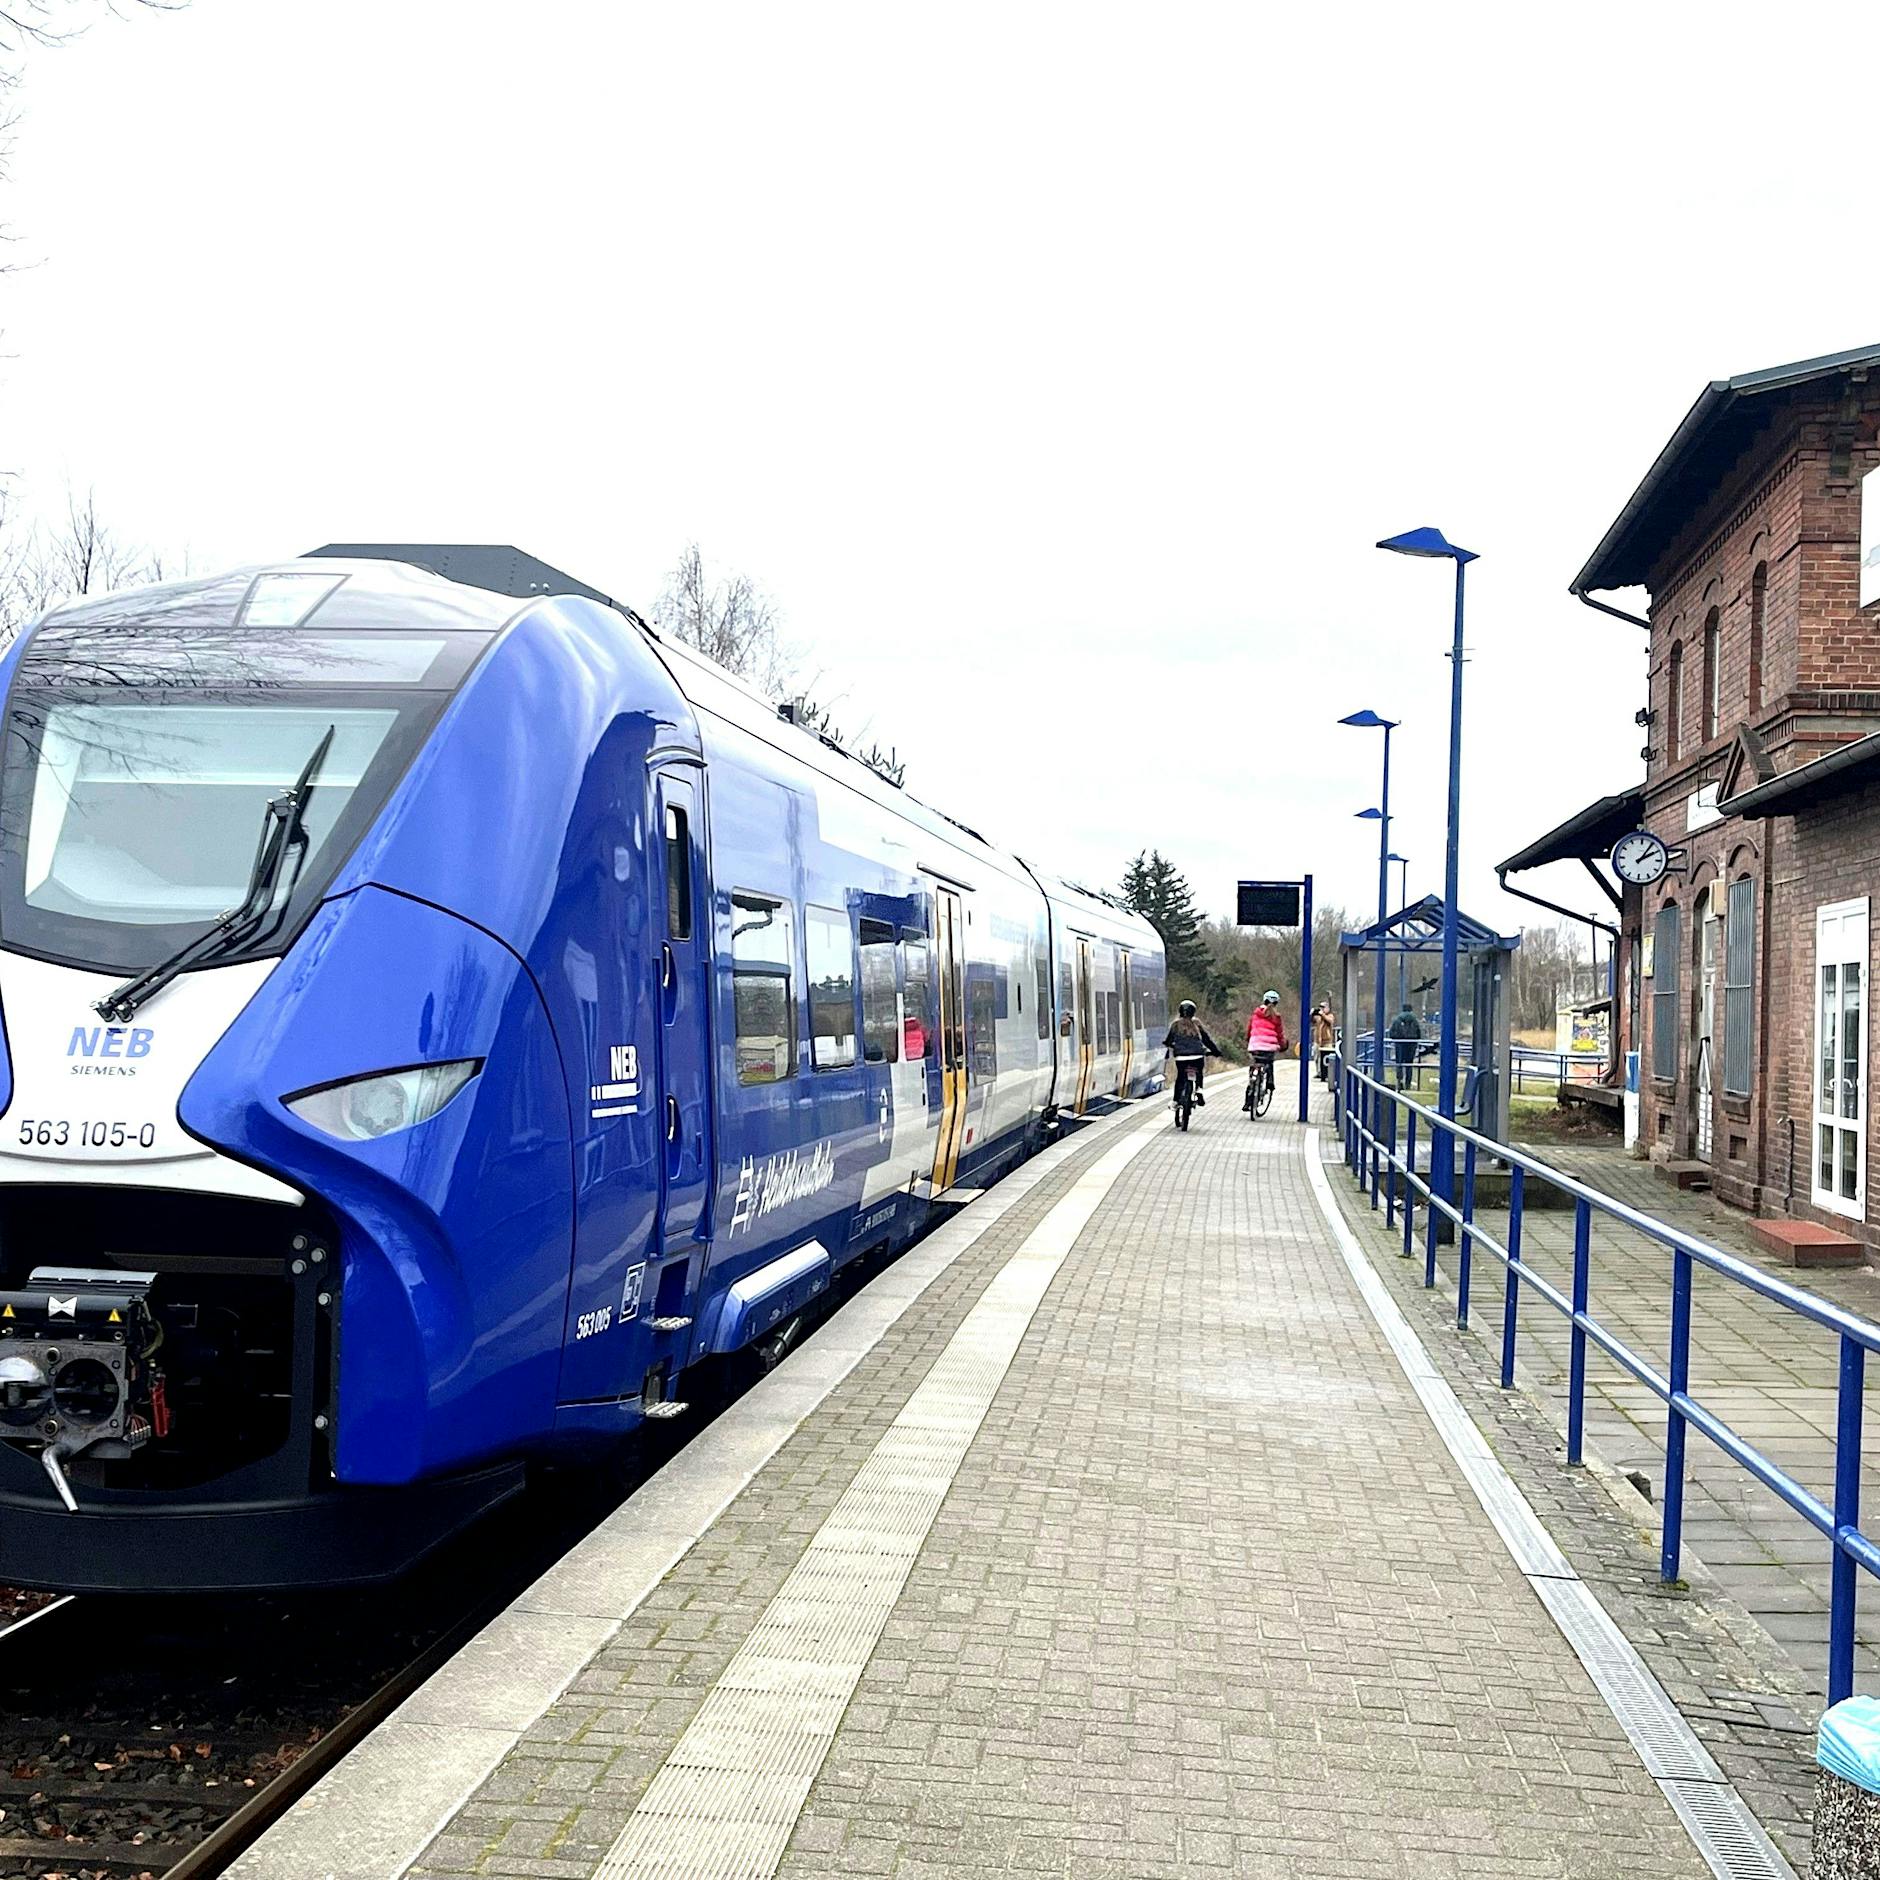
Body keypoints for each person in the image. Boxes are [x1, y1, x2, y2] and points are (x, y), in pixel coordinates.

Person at [1162, 1000, 1222, 1106]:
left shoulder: (1175, 1025)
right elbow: (1206, 1040)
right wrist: (1216, 1051)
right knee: (1199, 1073)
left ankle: (1175, 1101)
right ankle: (1199, 1089)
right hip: (1197, 1055)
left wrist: (1170, 1045)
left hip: (1181, 1057)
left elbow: (1169, 1040)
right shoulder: (1197, 1024)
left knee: (1180, 1078)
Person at [1245, 991, 1288, 1109]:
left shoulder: (1256, 1014)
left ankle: (1248, 1098)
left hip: (1254, 1046)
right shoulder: (1276, 1017)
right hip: (1269, 1048)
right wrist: (1282, 1045)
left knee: (1254, 1066)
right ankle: (1270, 1083)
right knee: (1269, 1064)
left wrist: (1249, 1040)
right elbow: (1279, 1034)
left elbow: (1249, 1030)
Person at [1388, 1003, 1422, 1087]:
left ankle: (1399, 1082)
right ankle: (1408, 1083)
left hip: (1400, 1044)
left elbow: (1391, 1033)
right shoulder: (1414, 1020)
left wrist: (1397, 1039)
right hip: (1411, 1045)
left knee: (1399, 1063)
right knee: (1409, 1064)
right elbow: (1419, 1034)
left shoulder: (1397, 1020)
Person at [1311, 1001, 1337, 1080]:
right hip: (1317, 1040)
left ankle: (1326, 1073)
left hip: (1327, 1040)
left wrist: (1322, 1014)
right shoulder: (1318, 1017)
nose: (1321, 1009)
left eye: (1323, 1007)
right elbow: (1311, 1021)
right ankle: (1319, 1072)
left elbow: (1330, 1021)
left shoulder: (1330, 1016)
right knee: (1316, 1057)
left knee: (1326, 1058)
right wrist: (1312, 1014)